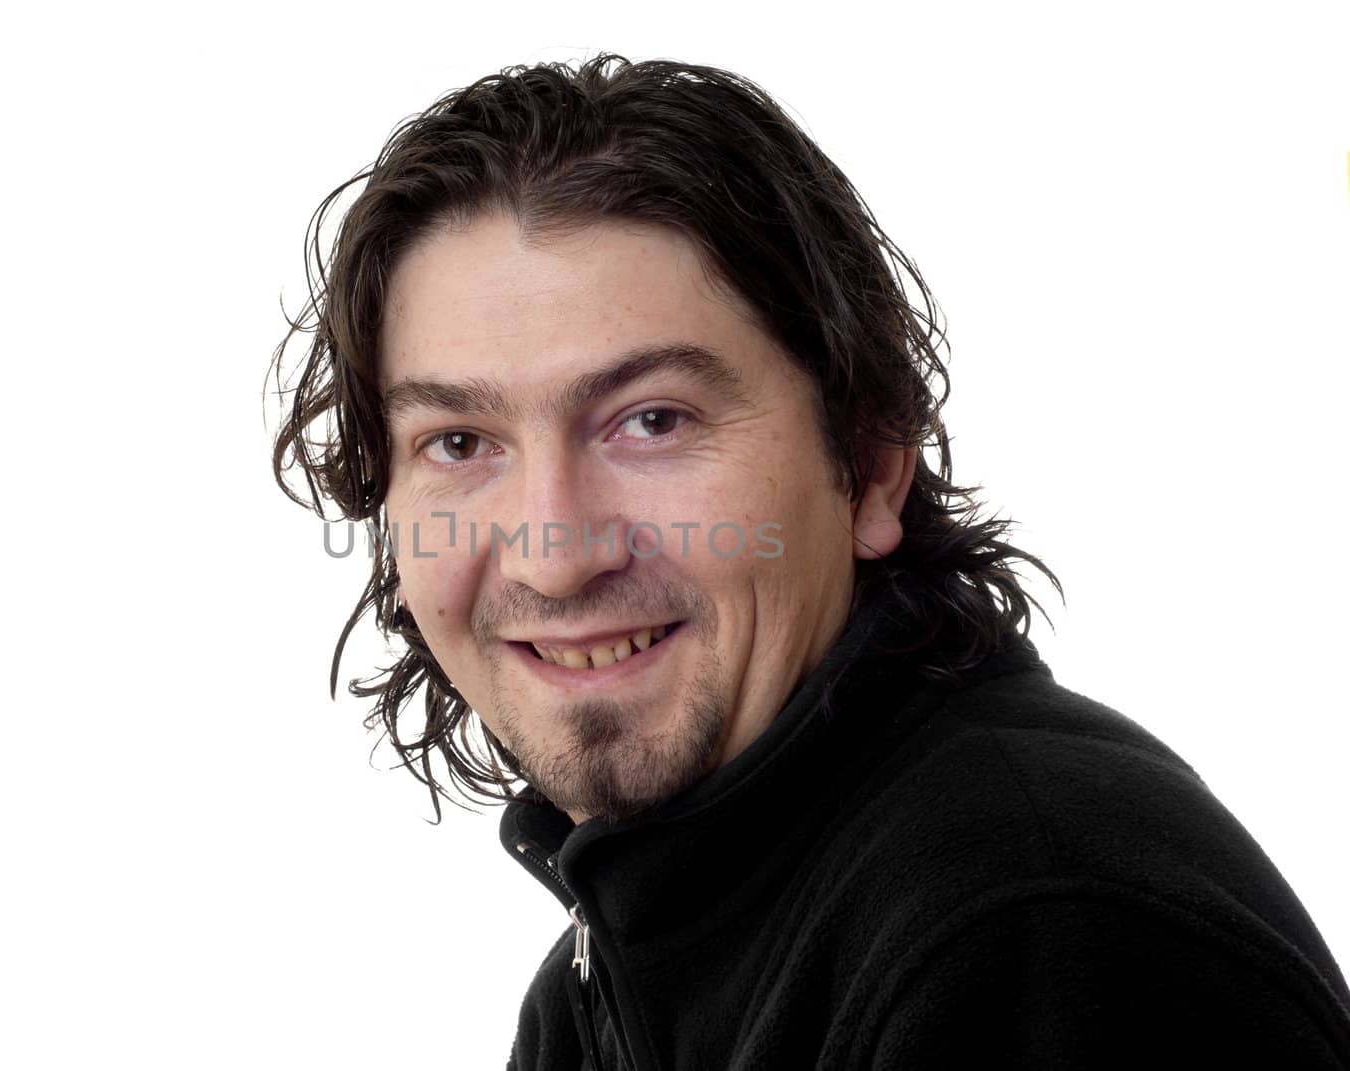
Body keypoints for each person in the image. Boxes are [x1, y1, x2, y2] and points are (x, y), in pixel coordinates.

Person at [270, 54, 1350, 1069]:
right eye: (458, 444)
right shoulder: (625, 952)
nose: (555, 557)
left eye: (652, 421)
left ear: (870, 465)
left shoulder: (1033, 930)